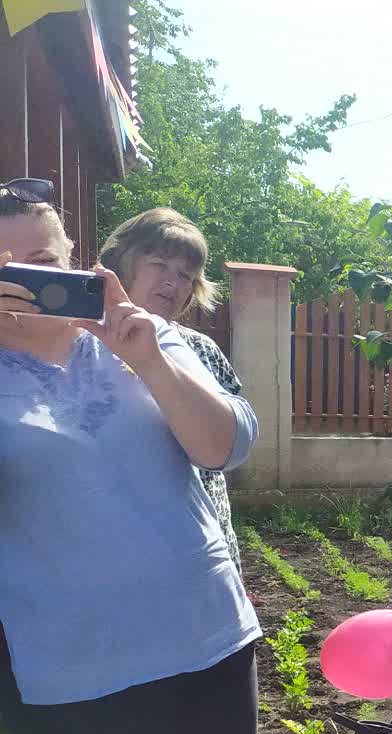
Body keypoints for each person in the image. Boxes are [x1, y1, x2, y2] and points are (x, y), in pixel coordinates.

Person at [0, 182, 292, 734]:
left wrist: (145, 357)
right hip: (72, 666)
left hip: (207, 638)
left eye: (44, 257)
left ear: (76, 255)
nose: (28, 277)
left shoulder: (153, 339)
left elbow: (225, 446)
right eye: (7, 265)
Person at [99, 207, 244, 569]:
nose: (173, 282)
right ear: (121, 263)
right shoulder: (83, 341)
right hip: (120, 552)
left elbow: (230, 442)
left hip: (207, 549)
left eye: (185, 275)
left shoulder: (203, 350)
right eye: (159, 264)